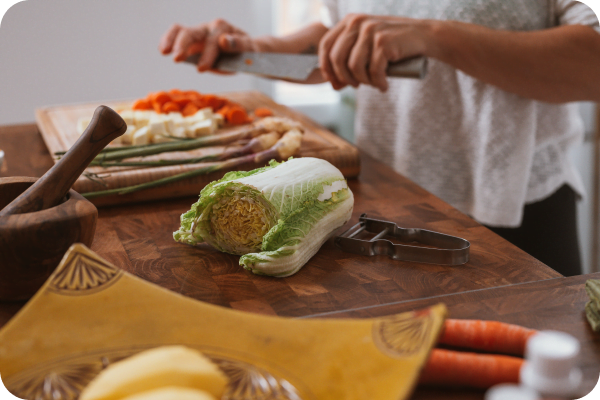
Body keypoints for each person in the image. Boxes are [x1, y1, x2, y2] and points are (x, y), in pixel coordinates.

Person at [159, 0, 600, 277]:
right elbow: (339, 39)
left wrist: (434, 37)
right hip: (392, 205)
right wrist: (252, 47)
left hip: (523, 213)